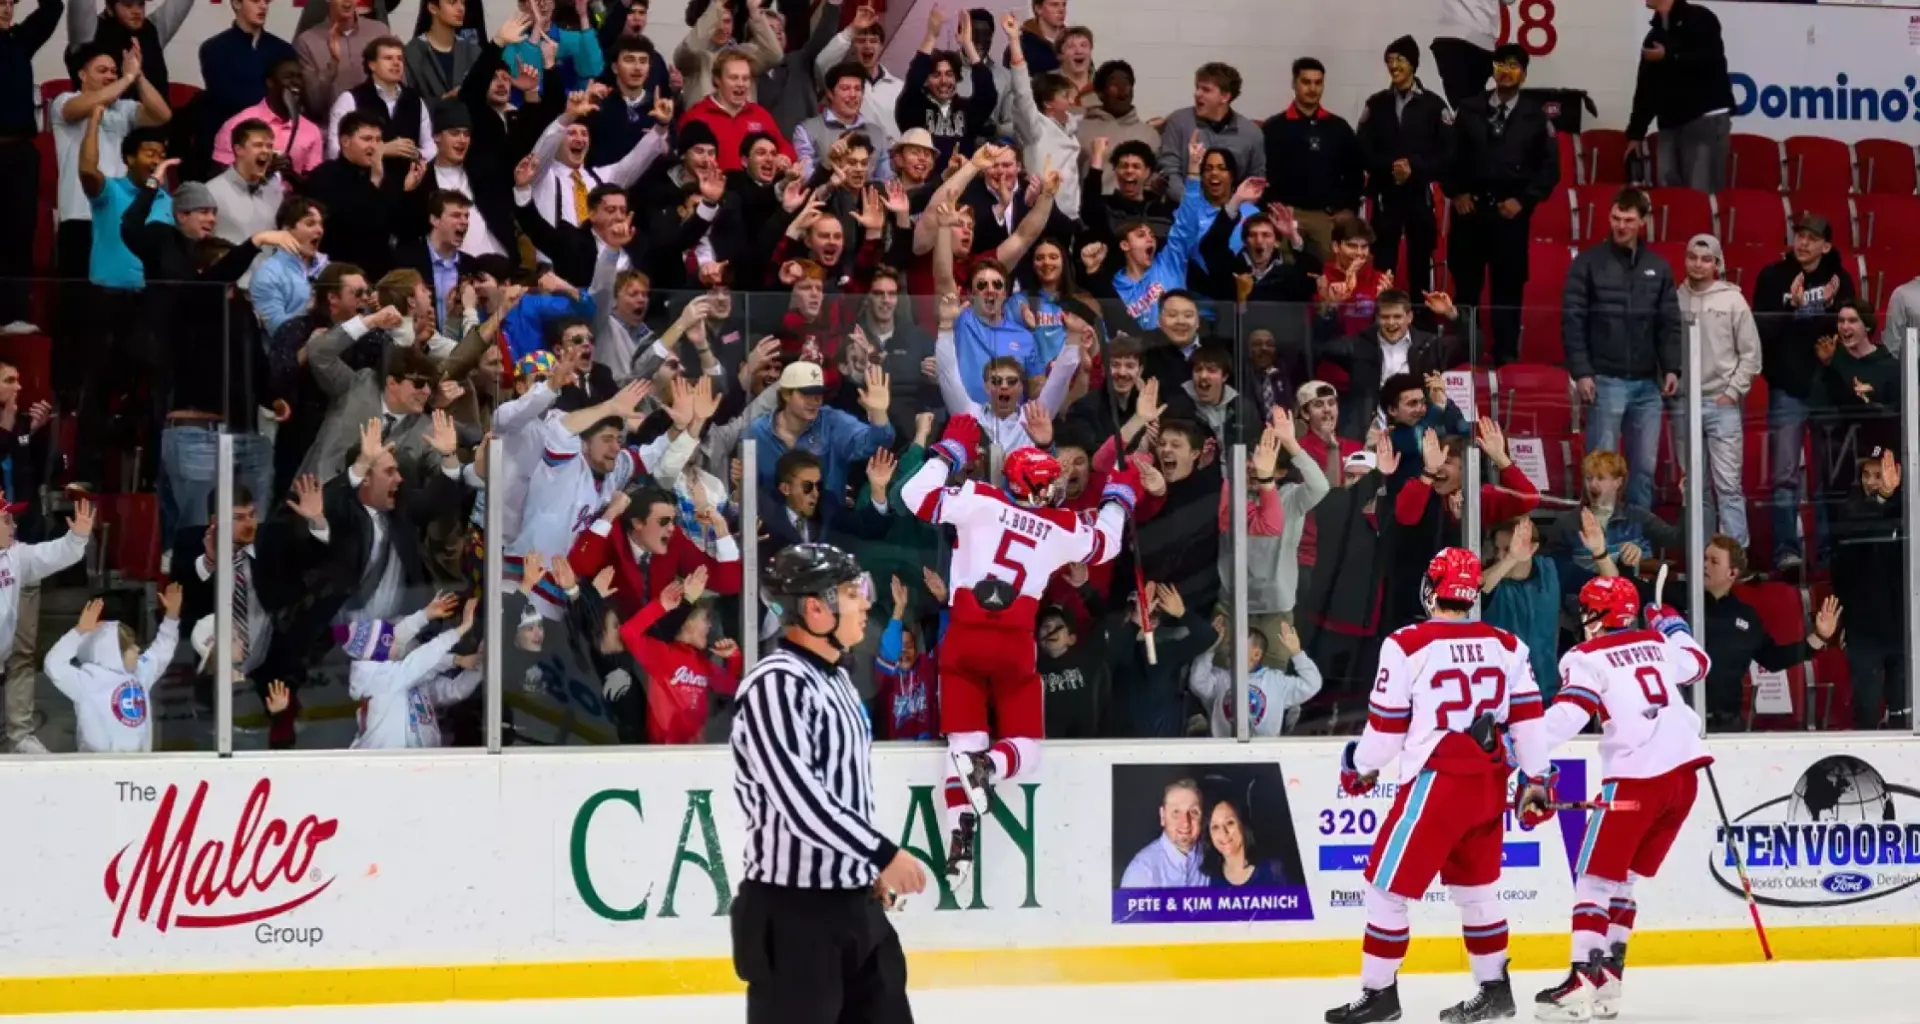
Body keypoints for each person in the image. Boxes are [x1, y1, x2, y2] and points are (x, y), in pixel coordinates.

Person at [899, 412, 1140, 886]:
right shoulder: (1060, 526)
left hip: (963, 640)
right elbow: (1106, 543)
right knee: (1026, 748)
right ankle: (989, 765)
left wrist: (950, 451)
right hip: (1013, 646)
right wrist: (1119, 495)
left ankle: (960, 841)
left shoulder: (980, 499)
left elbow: (915, 496)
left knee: (962, 742)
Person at [1326, 547, 1551, 1024]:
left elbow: (1385, 734)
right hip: (1489, 785)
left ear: (1432, 588)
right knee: (1478, 891)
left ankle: (1379, 995)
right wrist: (1537, 779)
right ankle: (1494, 991)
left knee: (1385, 890)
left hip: (1438, 786)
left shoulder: (1407, 644)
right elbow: (1530, 723)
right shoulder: (1508, 645)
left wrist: (1357, 766)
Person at [729, 542, 925, 1024]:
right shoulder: (776, 684)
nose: (865, 603)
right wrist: (882, 853)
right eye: (853, 593)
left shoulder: (837, 680)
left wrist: (863, 869)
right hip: (795, 919)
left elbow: (842, 793)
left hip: (857, 908)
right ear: (816, 608)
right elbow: (802, 803)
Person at [1535, 576, 1712, 1021]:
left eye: (1587, 611)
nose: (1583, 620)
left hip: (1636, 785)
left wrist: (1520, 741)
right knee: (1623, 882)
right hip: (1684, 780)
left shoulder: (1585, 656)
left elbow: (1570, 715)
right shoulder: (1657, 642)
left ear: (1600, 615)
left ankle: (1581, 979)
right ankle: (1608, 981)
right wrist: (1671, 623)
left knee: (1594, 880)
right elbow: (1698, 663)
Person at [1563, 188, 1680, 512]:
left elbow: (1669, 324)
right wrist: (1582, 372)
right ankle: (1597, 533)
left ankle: (1638, 535)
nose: (1621, 225)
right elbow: (1572, 320)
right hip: (1605, 379)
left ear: (1642, 222)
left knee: (1644, 469)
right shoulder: (1588, 263)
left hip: (1648, 383)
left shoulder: (1659, 267)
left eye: (1628, 219)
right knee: (1600, 470)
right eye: (1616, 218)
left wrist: (1672, 367)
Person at [1443, 43, 1557, 366]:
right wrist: (1457, 193)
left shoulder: (1536, 116)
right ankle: (1465, 353)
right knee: (1466, 289)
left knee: (1508, 289)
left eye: (1513, 66)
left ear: (1524, 74)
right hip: (1470, 212)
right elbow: (1449, 157)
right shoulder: (1469, 108)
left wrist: (1524, 201)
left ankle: (1505, 357)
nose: (1506, 71)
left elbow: (1550, 170)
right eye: (1500, 65)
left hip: (1510, 217)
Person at [1672, 234, 1758, 547]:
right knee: (1694, 487)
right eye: (1692, 257)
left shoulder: (1733, 300)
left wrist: (1732, 393)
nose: (1698, 264)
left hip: (1722, 403)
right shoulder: (1674, 299)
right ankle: (1702, 557)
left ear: (1717, 264)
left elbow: (1751, 355)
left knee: (1728, 487)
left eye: (1706, 259)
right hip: (1683, 403)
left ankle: (1735, 558)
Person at [1358, 36, 1452, 303]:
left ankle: (1421, 316)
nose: (1394, 65)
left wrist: (1414, 167)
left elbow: (1447, 154)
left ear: (1413, 64)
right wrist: (1391, 167)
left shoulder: (1434, 105)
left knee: (1420, 261)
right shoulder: (1376, 104)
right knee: (1383, 261)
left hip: (1420, 197)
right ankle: (1382, 316)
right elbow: (1362, 150)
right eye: (1389, 60)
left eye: (1400, 59)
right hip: (1385, 196)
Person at [46, 589, 181, 753]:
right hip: (97, 765)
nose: (138, 649)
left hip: (140, 764)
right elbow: (53, 665)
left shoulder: (139, 672)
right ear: (112, 652)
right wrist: (79, 632)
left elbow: (161, 651)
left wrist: (171, 616)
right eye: (130, 646)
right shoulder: (86, 681)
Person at [1626, 0, 1734, 193]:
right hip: (1670, 124)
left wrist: (1669, 56)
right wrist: (1636, 134)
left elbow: (1708, 59)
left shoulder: (1701, 18)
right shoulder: (1653, 37)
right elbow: (1646, 89)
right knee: (1669, 195)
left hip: (1705, 119)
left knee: (1699, 195)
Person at [1118, 778, 1206, 888]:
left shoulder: (1211, 857)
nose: (1185, 823)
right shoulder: (1141, 872)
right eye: (1176, 812)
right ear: (1163, 816)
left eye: (1193, 812)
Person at [1202, 792, 1287, 888]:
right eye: (1215, 827)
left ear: (1242, 824)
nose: (1223, 833)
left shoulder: (1272, 869)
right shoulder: (1211, 878)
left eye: (1230, 823)